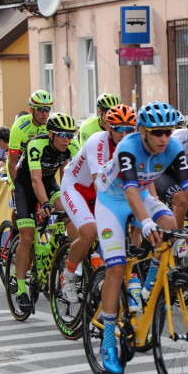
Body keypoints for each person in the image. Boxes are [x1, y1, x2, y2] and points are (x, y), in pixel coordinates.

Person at [91, 102, 188, 372]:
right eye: (157, 132)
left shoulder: (173, 149)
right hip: (111, 200)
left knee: (170, 226)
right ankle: (107, 341)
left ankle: (150, 286)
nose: (164, 137)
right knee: (116, 269)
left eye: (168, 131)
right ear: (142, 132)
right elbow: (128, 190)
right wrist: (146, 222)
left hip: (140, 196)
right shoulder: (129, 147)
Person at [57, 104, 137, 305]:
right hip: (77, 187)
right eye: (119, 128)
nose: (124, 133)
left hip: (103, 191)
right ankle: (68, 275)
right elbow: (98, 181)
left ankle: (103, 274)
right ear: (109, 128)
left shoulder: (134, 146)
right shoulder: (97, 142)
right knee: (90, 231)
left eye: (130, 128)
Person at [11, 112, 80, 314]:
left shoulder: (72, 146)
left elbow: (76, 177)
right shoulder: (36, 145)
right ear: (50, 133)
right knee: (27, 236)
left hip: (49, 184)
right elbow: (35, 180)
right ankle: (22, 289)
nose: (67, 139)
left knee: (69, 212)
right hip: (26, 187)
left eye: (70, 134)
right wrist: (43, 203)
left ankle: (67, 268)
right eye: (62, 135)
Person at [6, 90, 53, 181]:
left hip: (40, 163)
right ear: (31, 110)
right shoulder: (19, 127)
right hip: (20, 163)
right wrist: (15, 186)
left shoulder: (51, 124)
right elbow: (12, 163)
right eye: (40, 109)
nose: (44, 113)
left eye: (47, 109)